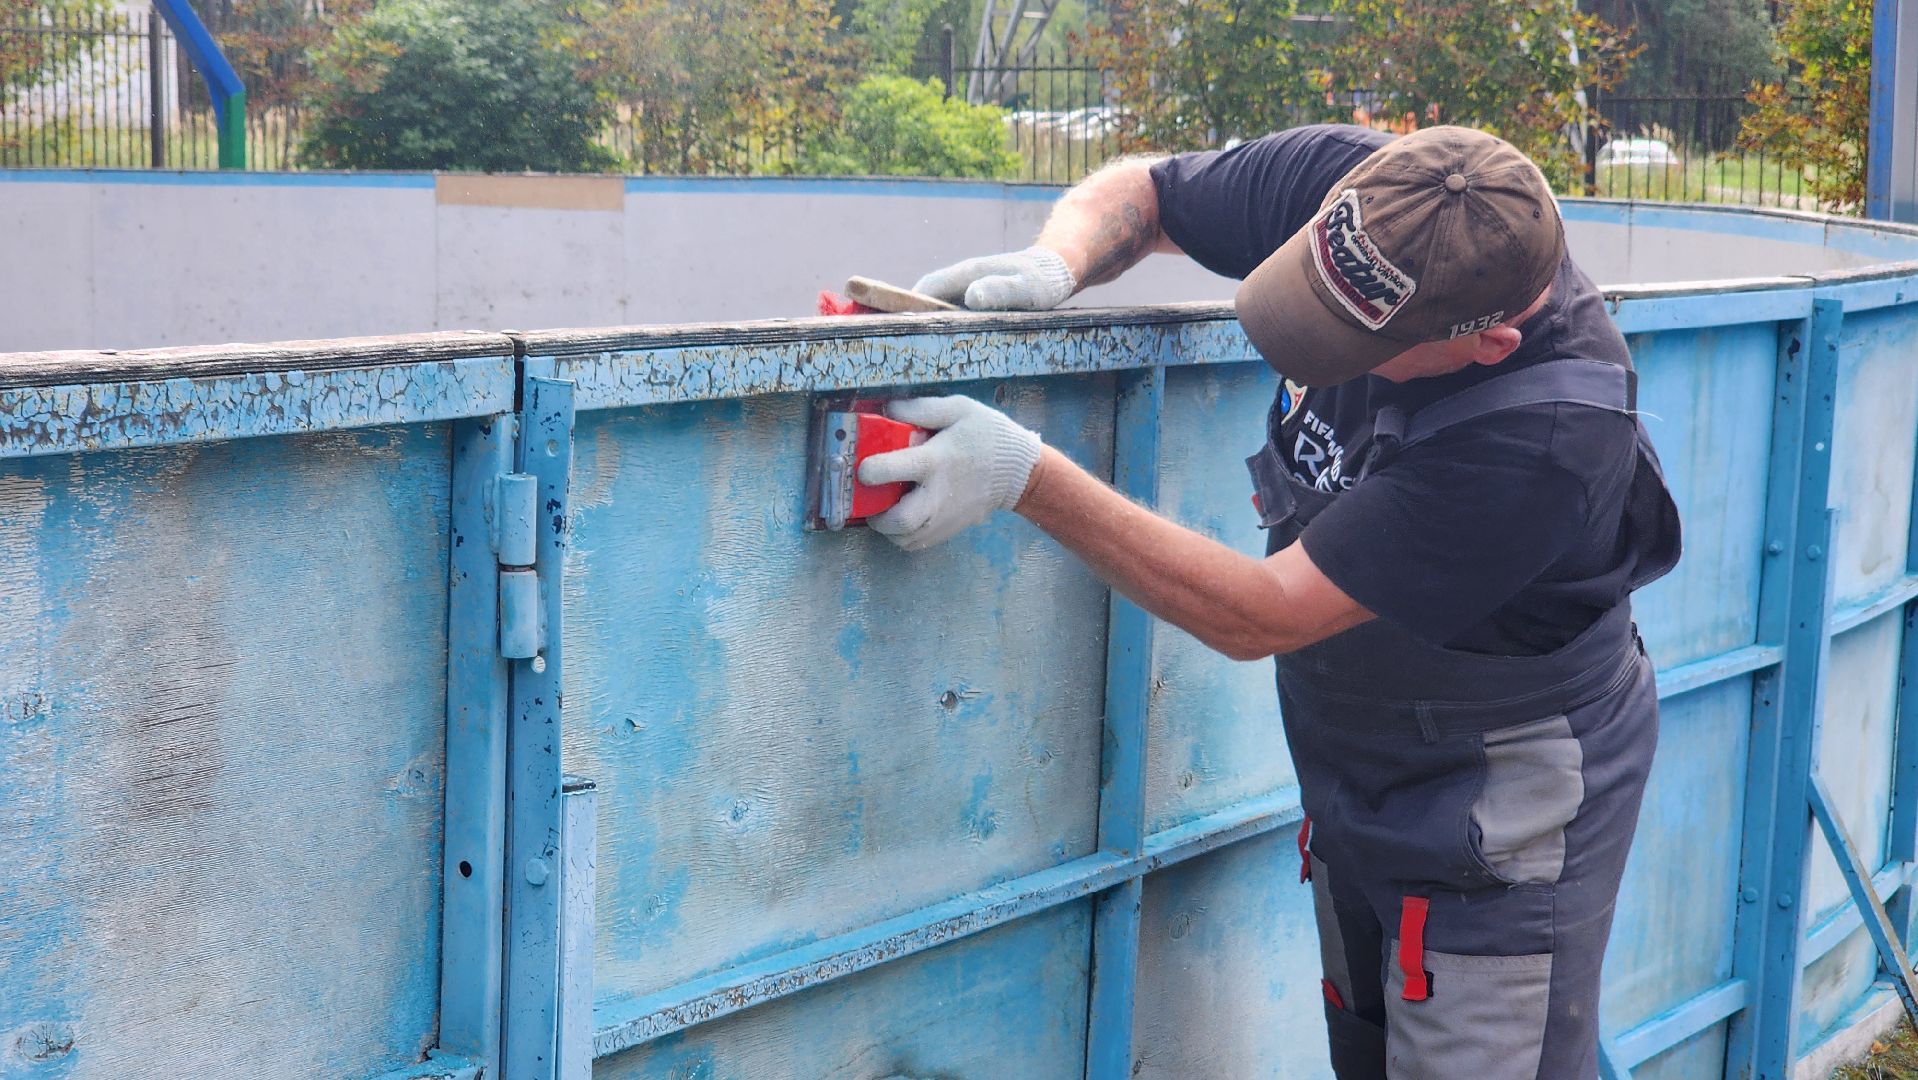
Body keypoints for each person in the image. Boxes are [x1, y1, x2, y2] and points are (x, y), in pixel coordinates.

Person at [858, 124, 1683, 1079]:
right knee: (1367, 1051)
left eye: (1347, 343)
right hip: (1352, 760)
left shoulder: (1543, 440)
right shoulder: (1383, 198)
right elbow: (1153, 190)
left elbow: (1261, 613)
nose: (1309, 345)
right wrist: (1060, 260)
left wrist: (1022, 475)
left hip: (1502, 798)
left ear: (1484, 342)